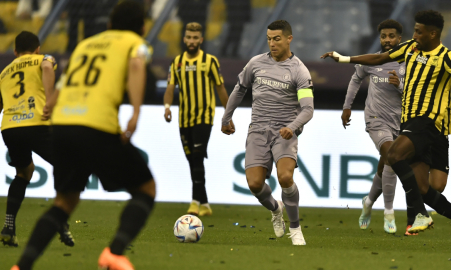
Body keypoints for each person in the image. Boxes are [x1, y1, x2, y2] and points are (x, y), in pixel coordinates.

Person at [10, 1, 156, 269]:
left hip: (63, 126)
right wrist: (135, 112)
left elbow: (62, 85)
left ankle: (22, 266)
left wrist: (50, 105)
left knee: (64, 202)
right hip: (96, 124)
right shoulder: (135, 42)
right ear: (143, 27)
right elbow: (136, 66)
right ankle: (114, 252)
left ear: (109, 24)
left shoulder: (85, 45)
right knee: (146, 189)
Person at [321, 10, 451, 250]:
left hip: (429, 122)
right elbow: (379, 59)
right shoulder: (410, 49)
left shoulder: (446, 57)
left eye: (418, 31)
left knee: (393, 156)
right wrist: (345, 59)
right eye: (414, 30)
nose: (414, 34)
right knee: (427, 189)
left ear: (433, 33)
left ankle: (418, 214)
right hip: (413, 124)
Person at [221, 20, 314, 245]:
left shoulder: (299, 70)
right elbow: (239, 89)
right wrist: (226, 116)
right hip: (258, 130)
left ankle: (295, 228)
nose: (272, 43)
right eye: (269, 39)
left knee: (285, 177)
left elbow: (308, 109)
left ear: (289, 39)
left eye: (277, 39)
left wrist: (291, 128)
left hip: (284, 132)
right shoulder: (256, 63)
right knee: (254, 184)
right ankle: (275, 209)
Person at [0, 31, 74, 248]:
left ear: (15, 52)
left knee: (24, 173)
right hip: (36, 122)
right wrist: (49, 99)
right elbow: (48, 67)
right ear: (37, 49)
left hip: (10, 127)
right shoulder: (43, 59)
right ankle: (60, 220)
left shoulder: (4, 72)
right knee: (66, 166)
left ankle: (8, 227)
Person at [342, 19, 405, 234]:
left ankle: (368, 202)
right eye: (383, 36)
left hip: (400, 121)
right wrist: (347, 107)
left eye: (391, 36)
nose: (387, 40)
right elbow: (355, 79)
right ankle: (389, 212)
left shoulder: (408, 63)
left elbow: (415, 94)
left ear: (399, 39)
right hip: (375, 118)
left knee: (385, 164)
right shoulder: (371, 60)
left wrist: (400, 86)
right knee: (392, 157)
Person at [164, 22, 230, 216]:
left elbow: (220, 88)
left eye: (195, 38)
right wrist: (167, 107)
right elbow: (169, 88)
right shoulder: (176, 62)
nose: (192, 41)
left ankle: (194, 202)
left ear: (201, 40)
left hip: (204, 116)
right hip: (184, 118)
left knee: (198, 156)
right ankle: (205, 204)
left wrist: (228, 114)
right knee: (192, 160)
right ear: (184, 39)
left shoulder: (210, 61)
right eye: (189, 37)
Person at [405, 79, 451, 236]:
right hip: (418, 128)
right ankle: (412, 221)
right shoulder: (412, 60)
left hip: (440, 133)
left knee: (437, 186)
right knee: (416, 178)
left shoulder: (447, 63)